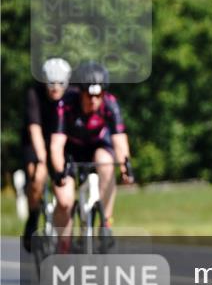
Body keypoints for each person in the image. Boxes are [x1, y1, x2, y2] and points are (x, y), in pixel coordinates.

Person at [49, 61, 133, 245]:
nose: (94, 100)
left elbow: (119, 140)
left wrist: (126, 167)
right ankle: (63, 245)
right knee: (64, 201)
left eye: (99, 95)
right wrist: (59, 172)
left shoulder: (110, 104)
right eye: (89, 95)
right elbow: (56, 145)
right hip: (70, 151)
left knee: (106, 163)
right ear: (80, 92)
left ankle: (105, 222)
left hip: (98, 146)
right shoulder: (66, 104)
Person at [20, 57, 74, 251]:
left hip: (60, 142)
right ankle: (33, 217)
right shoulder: (34, 95)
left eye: (60, 84)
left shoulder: (73, 95)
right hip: (36, 142)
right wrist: (42, 160)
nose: (55, 88)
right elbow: (34, 130)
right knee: (38, 177)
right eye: (51, 84)